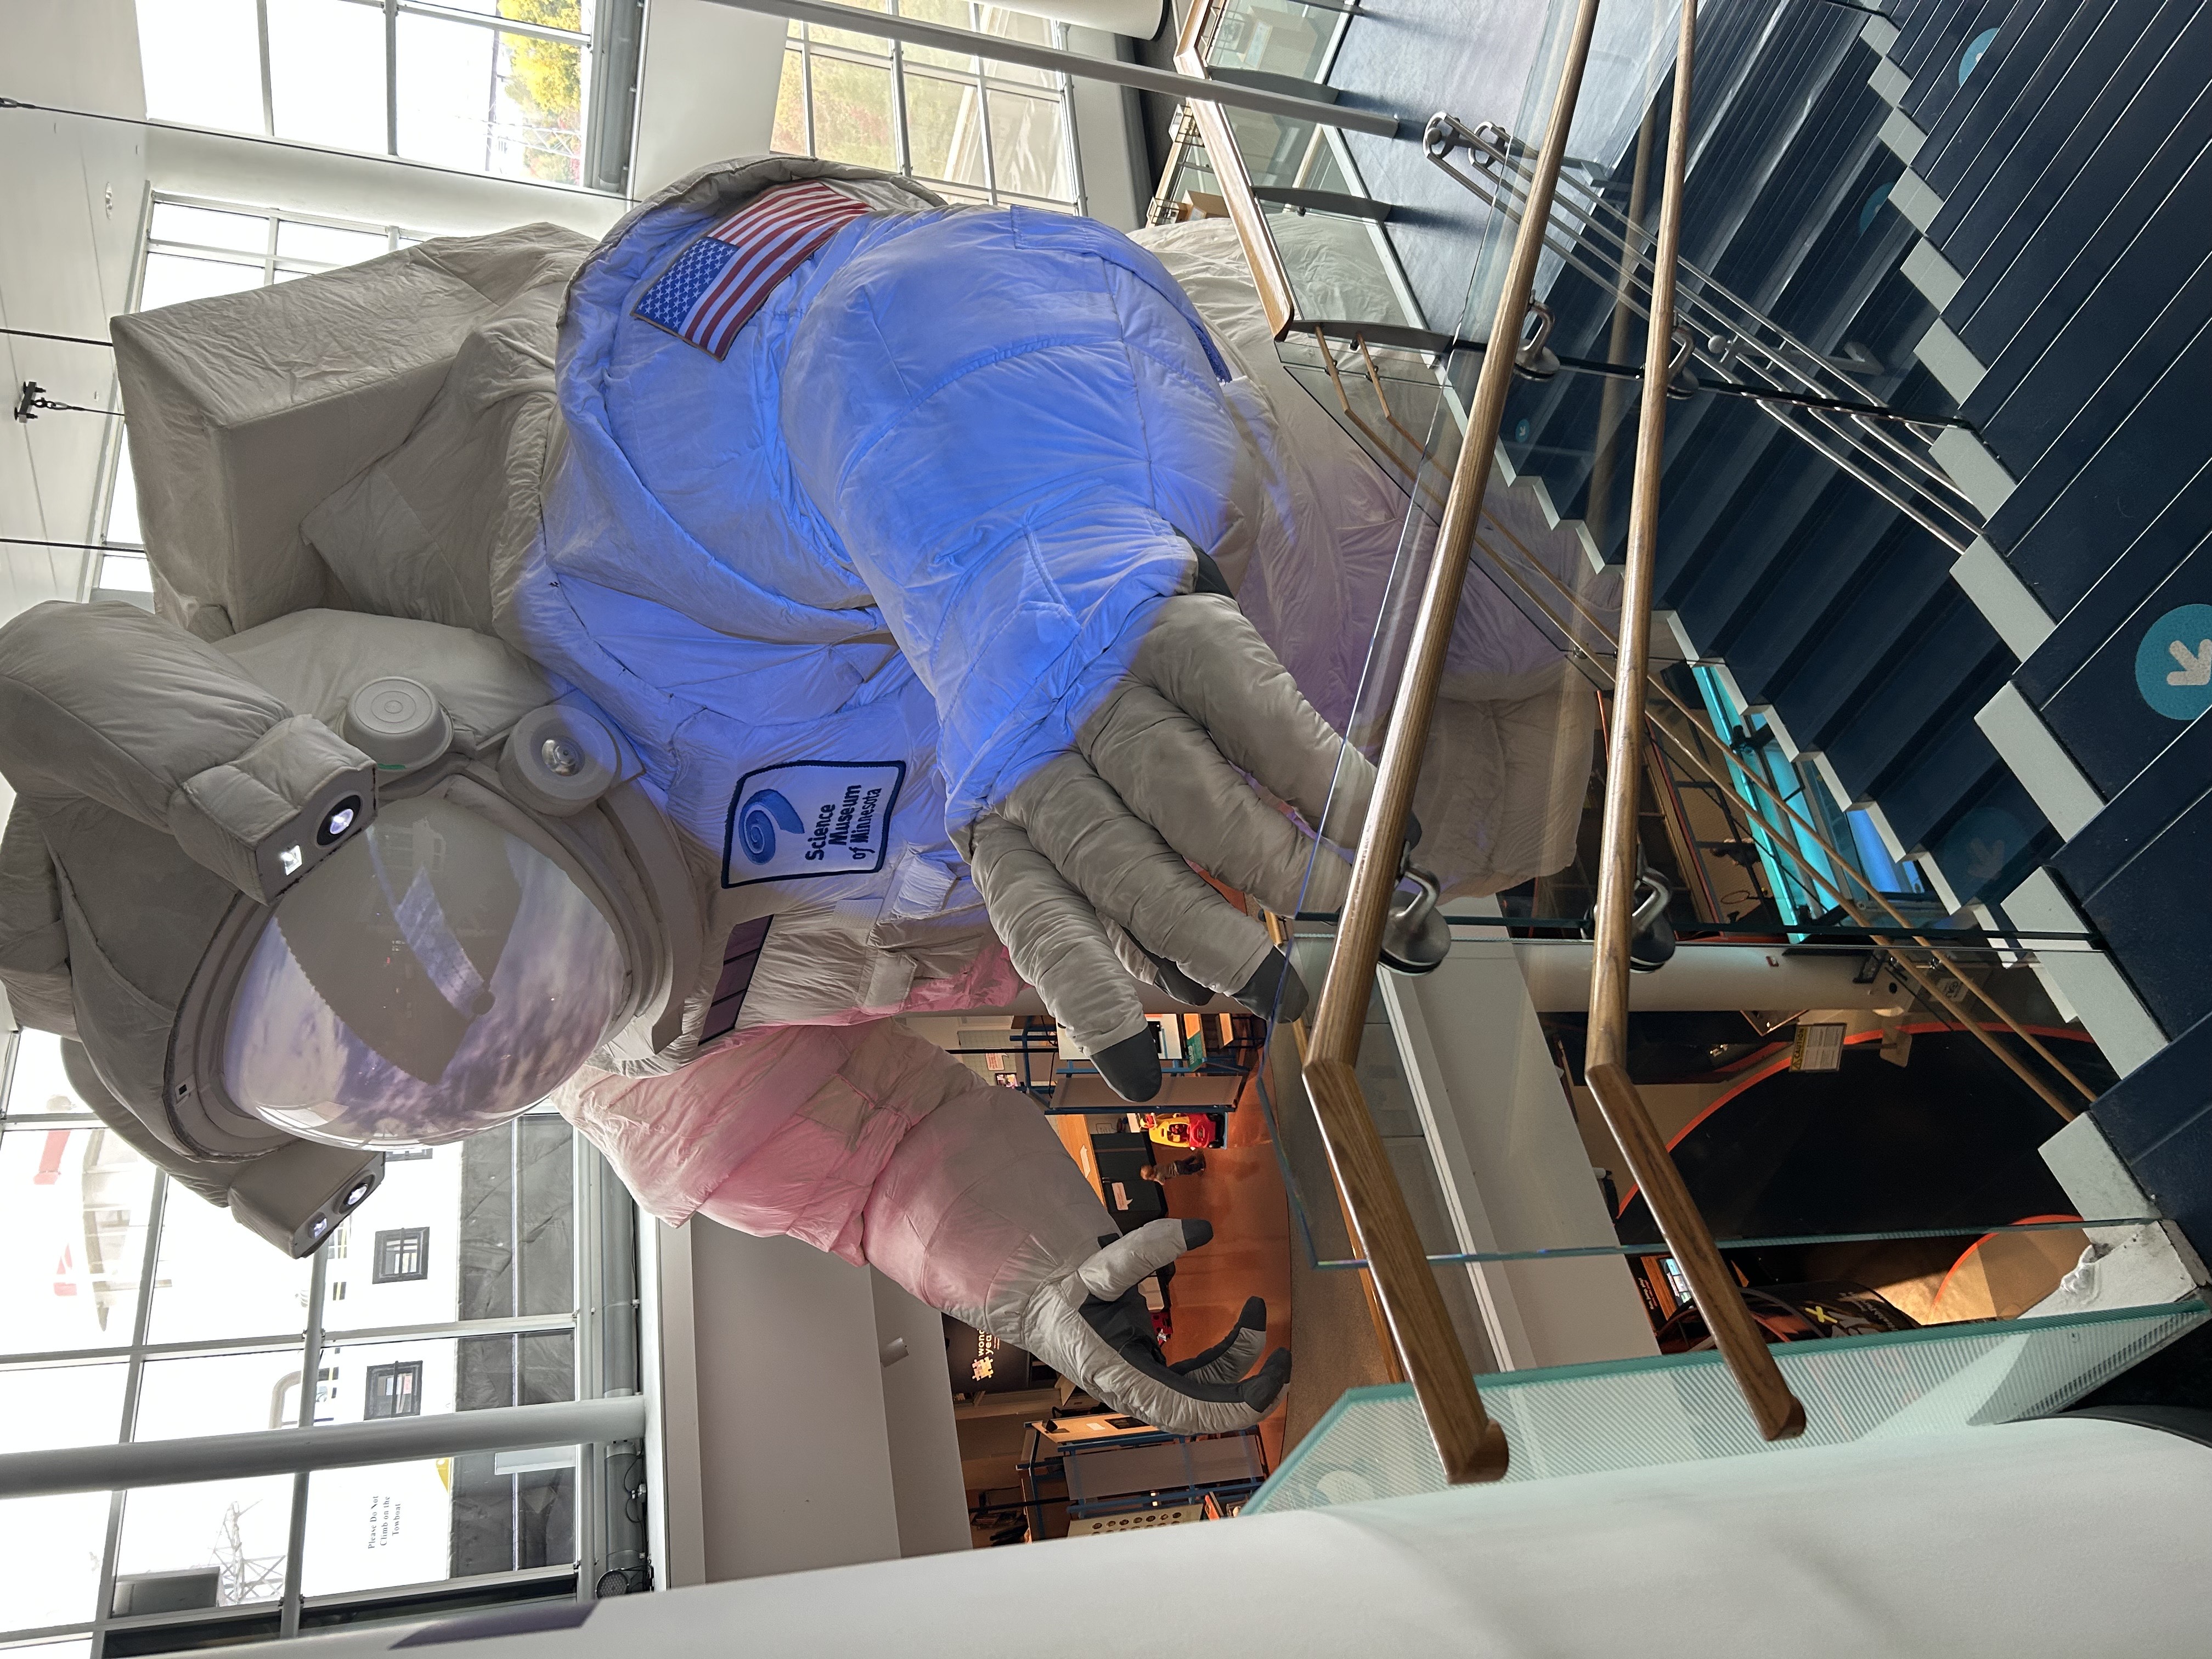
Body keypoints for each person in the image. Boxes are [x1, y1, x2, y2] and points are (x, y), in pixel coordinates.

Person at [0, 155, 1588, 1434]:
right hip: (1379, 786)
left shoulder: (591, 471)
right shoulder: (634, 1048)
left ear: (364, 733)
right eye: (369, 1076)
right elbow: (870, 1148)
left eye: (366, 954)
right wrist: (1036, 1277)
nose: (447, 1019)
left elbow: (863, 303)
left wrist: (1029, 600)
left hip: (1407, 439)